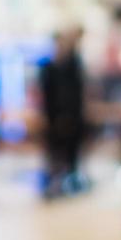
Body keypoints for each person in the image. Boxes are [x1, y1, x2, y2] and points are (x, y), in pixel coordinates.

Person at [39, 27, 88, 198]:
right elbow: (46, 97)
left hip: (73, 118)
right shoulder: (49, 68)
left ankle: (70, 182)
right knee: (54, 154)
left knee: (71, 154)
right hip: (54, 119)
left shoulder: (73, 65)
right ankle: (54, 183)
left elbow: (77, 94)